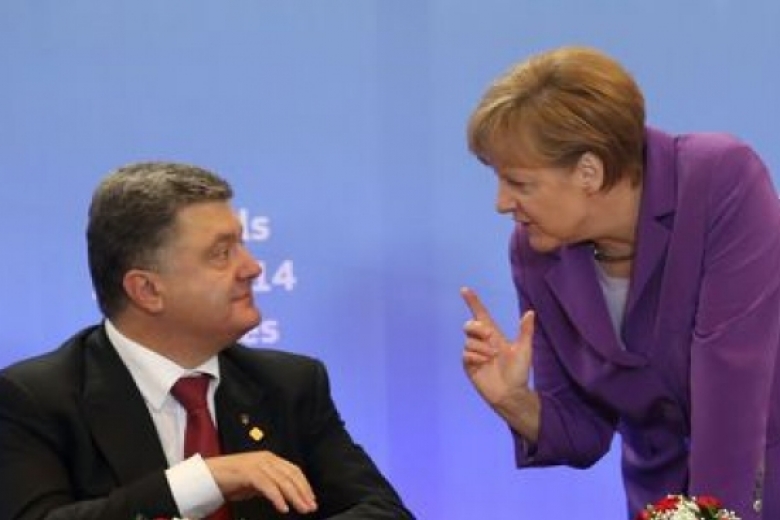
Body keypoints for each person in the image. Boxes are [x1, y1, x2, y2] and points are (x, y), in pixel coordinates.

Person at [461, 45, 780, 520]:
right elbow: (582, 433)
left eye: (520, 183)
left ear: (589, 172)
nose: (501, 203)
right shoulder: (534, 252)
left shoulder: (718, 179)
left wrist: (708, 515)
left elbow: (732, 382)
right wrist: (514, 399)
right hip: (662, 502)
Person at [0, 162, 414, 520]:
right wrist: (200, 481)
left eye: (242, 244)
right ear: (147, 290)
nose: (252, 268)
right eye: (221, 253)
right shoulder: (37, 399)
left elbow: (383, 511)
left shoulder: (289, 385)